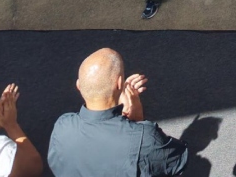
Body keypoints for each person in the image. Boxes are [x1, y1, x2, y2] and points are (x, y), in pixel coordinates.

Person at [48, 47, 189, 171]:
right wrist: (138, 121)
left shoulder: (62, 125)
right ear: (120, 83)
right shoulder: (143, 138)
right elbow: (178, 160)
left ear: (79, 85)